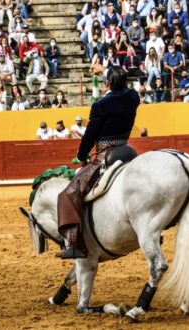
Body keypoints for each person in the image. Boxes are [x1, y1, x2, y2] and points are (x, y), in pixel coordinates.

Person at [56, 67, 139, 259]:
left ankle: (76, 243)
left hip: (106, 154)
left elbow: (91, 134)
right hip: (127, 150)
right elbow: (123, 92)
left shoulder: (101, 105)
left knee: (69, 194)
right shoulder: (133, 97)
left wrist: (82, 154)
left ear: (108, 83)